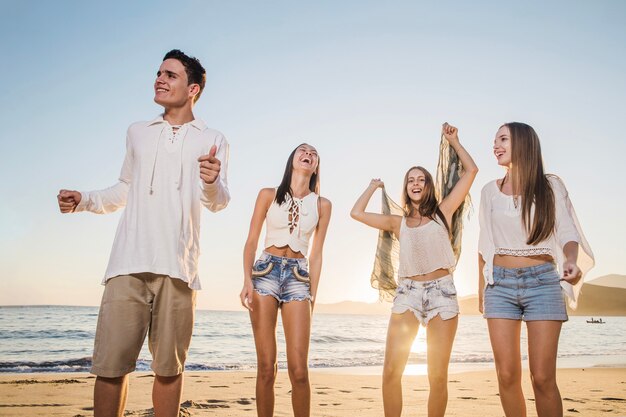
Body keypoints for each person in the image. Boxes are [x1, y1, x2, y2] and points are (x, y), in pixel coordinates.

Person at [57, 49, 230, 417]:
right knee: (110, 367)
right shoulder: (137, 132)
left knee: (168, 370)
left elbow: (218, 201)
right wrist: (84, 199)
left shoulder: (212, 138)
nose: (160, 79)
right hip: (127, 263)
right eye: (158, 73)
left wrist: (213, 182)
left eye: (170, 75)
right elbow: (124, 188)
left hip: (178, 267)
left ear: (193, 88)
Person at [351, 123, 478, 417]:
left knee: (437, 376)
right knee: (391, 372)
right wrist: (373, 186)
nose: (416, 183)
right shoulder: (398, 223)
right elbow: (356, 213)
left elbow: (471, 171)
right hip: (407, 294)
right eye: (411, 180)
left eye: (421, 179)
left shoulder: (443, 212)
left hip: (442, 295)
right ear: (406, 188)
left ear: (429, 186)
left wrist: (454, 141)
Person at [478, 122, 594, 417]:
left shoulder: (550, 186)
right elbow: (484, 245)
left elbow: (568, 234)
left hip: (542, 283)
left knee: (542, 378)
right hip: (499, 287)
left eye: (503, 139)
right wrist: (483, 292)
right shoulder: (489, 191)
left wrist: (570, 260)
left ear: (523, 144)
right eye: (494, 140)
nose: (496, 145)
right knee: (506, 376)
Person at [240, 143, 331, 417]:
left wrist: (312, 296)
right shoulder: (268, 194)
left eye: (314, 153)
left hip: (298, 279)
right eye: (303, 150)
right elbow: (251, 241)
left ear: (316, 166)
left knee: (299, 371)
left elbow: (316, 255)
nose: (309, 154)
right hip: (265, 274)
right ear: (293, 159)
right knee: (267, 366)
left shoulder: (323, 205)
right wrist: (246, 281)